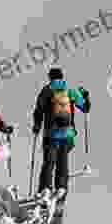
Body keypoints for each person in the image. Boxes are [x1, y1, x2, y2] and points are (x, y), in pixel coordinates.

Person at [32, 67, 91, 204]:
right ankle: (61, 189)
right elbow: (86, 108)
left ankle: (45, 190)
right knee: (62, 163)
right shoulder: (70, 91)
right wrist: (86, 96)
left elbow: (39, 110)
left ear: (50, 78)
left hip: (51, 134)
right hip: (67, 135)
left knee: (49, 163)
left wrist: (36, 126)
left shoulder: (47, 90)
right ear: (62, 77)